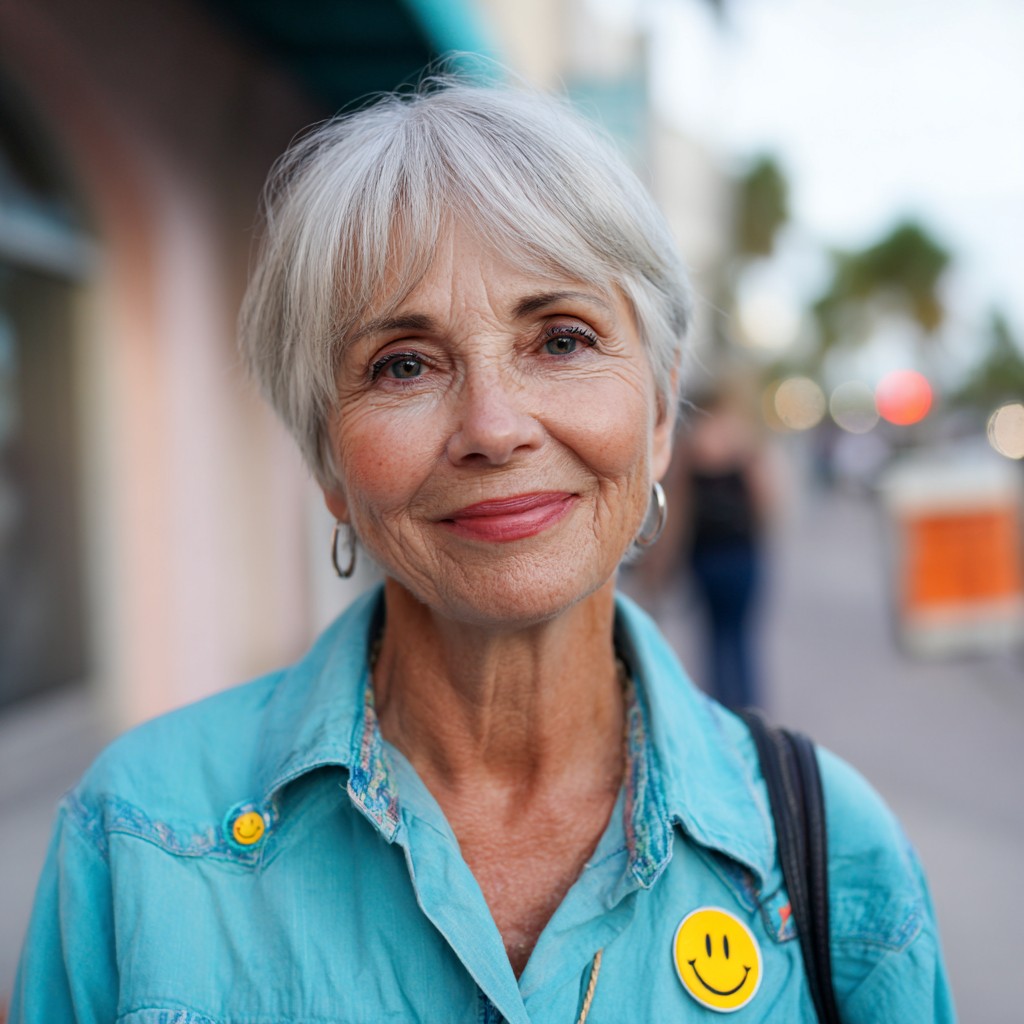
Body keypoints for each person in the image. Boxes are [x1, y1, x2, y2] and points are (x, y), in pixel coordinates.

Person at [11, 76, 955, 1022]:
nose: (494, 429)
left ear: (661, 412)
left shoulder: (834, 858)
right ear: (328, 463)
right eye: (404, 365)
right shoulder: (135, 842)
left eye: (562, 340)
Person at [680, 383, 774, 710]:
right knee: (740, 635)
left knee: (714, 636)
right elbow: (764, 501)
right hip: (741, 552)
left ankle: (720, 709)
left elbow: (682, 509)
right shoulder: (743, 443)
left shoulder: (692, 446)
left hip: (704, 555)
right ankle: (749, 711)